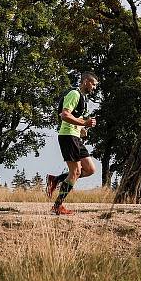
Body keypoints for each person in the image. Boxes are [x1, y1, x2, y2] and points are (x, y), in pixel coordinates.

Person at [45, 72, 99, 215]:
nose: (94, 88)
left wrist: (81, 128)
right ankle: (57, 205)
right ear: (86, 81)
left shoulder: (83, 98)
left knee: (90, 169)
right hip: (68, 136)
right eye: (93, 84)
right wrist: (84, 122)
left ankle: (55, 179)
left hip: (75, 136)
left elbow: (74, 118)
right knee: (75, 172)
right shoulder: (74, 94)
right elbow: (65, 115)